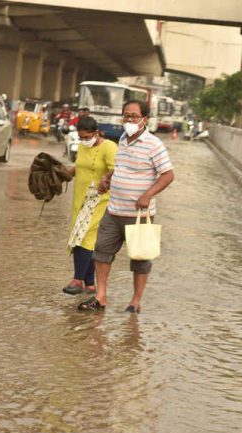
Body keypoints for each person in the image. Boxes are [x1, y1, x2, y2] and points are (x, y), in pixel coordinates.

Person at [77, 100, 175, 313]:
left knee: (140, 259)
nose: (129, 120)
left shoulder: (154, 144)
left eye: (133, 116)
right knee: (101, 252)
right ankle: (101, 297)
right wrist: (107, 179)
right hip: (113, 210)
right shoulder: (122, 139)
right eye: (126, 115)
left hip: (139, 214)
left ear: (144, 119)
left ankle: (135, 302)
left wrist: (148, 195)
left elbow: (168, 175)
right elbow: (120, 167)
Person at [63, 116, 118, 295]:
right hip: (81, 198)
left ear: (96, 132)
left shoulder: (109, 147)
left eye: (87, 137)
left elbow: (116, 168)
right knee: (85, 237)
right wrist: (61, 173)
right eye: (81, 138)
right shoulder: (81, 147)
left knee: (83, 236)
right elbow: (80, 168)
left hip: (99, 199)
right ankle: (90, 284)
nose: (84, 141)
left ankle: (77, 280)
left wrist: (105, 180)